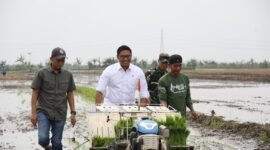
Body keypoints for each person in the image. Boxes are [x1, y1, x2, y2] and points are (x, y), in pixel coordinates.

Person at [30, 47, 76, 150]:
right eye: (58, 60)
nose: (61, 63)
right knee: (42, 139)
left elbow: (70, 94)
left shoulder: (68, 75)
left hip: (60, 112)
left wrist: (73, 113)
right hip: (44, 111)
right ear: (51, 59)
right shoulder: (41, 73)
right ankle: (47, 146)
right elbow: (35, 93)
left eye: (63, 60)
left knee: (57, 143)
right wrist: (33, 113)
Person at [158, 54, 197, 118]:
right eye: (175, 66)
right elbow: (163, 100)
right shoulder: (163, 81)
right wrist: (165, 111)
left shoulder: (185, 78)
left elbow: (188, 97)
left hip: (182, 115)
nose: (178, 68)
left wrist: (192, 110)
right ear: (169, 66)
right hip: (170, 116)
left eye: (180, 65)